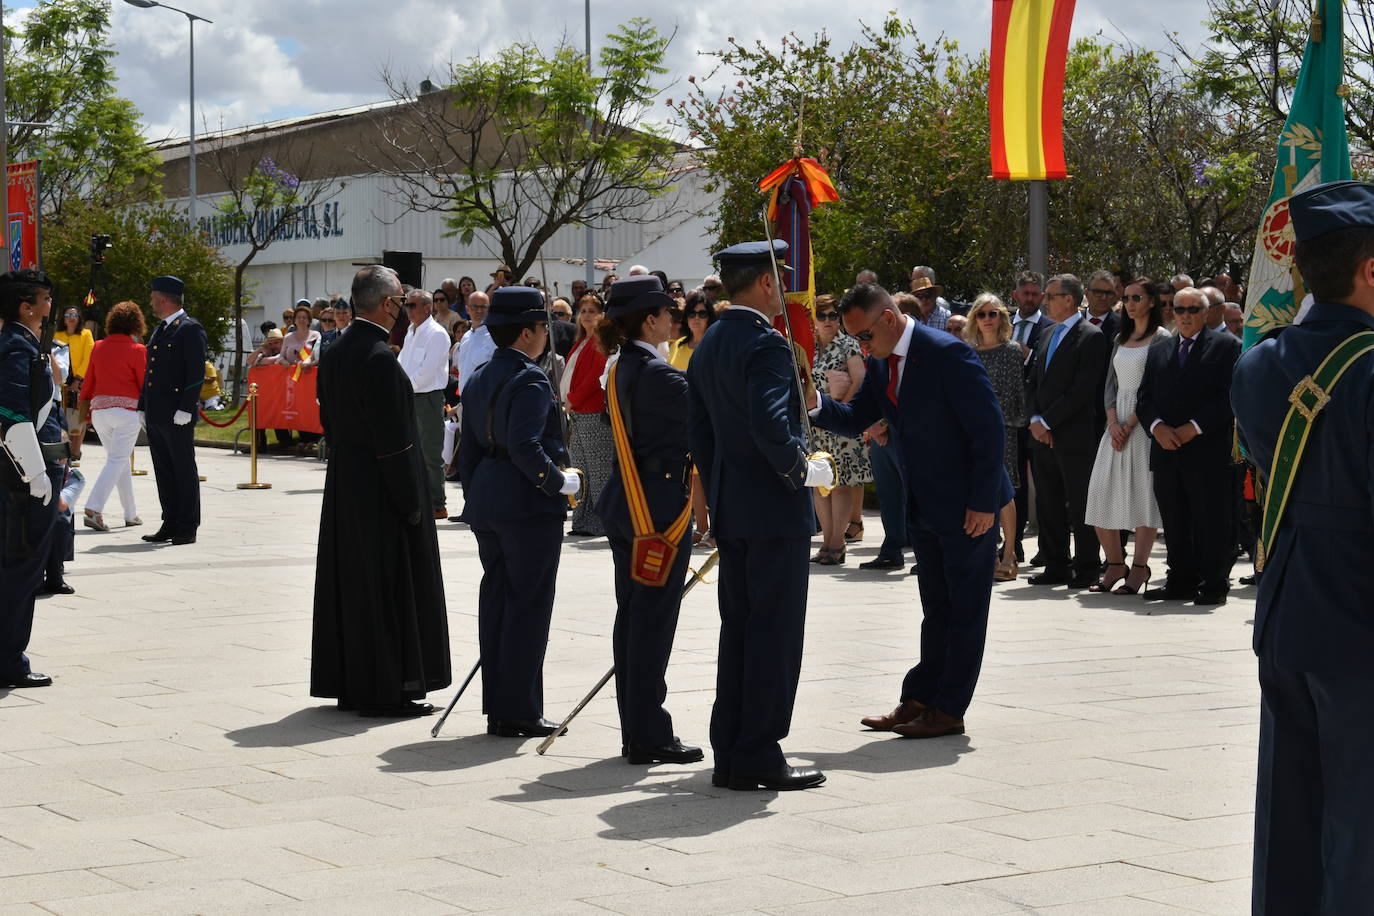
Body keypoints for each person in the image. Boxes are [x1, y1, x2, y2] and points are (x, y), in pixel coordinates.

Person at [1232, 180, 1374, 913]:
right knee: (1363, 825)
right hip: (1360, 615)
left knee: (1289, 809)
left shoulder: (1260, 361)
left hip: (1290, 607)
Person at [811, 282, 1011, 740]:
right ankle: (920, 698)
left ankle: (949, 709)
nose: (862, 347)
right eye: (855, 339)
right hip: (923, 501)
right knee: (936, 607)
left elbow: (988, 429)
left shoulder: (946, 352)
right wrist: (815, 403)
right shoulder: (882, 360)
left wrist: (983, 503)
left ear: (888, 318)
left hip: (966, 505)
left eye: (864, 336)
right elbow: (858, 417)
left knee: (965, 609)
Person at [687, 240, 833, 791]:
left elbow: (700, 434)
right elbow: (772, 426)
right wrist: (802, 471)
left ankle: (731, 748)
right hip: (773, 510)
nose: (786, 289)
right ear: (766, 282)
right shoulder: (766, 344)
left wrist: (721, 491)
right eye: (782, 278)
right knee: (774, 631)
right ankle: (758, 752)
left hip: (734, 506)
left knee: (741, 630)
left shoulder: (710, 342)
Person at [310, 265, 451, 718]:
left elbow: (329, 422)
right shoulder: (379, 358)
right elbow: (395, 444)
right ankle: (386, 689)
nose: (402, 309)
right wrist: (411, 502)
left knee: (353, 584)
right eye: (401, 301)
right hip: (381, 489)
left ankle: (353, 683)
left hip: (345, 482)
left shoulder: (334, 351)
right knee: (385, 588)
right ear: (388, 304)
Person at [458, 286, 579, 738]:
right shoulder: (530, 379)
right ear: (526, 332)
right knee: (528, 607)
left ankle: (501, 707)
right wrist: (558, 481)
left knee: (498, 603)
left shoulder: (479, 376)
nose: (547, 334)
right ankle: (520, 711)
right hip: (527, 503)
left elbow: (469, 452)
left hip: (489, 498)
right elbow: (527, 446)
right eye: (543, 327)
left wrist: (478, 496)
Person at [593, 276, 703, 765]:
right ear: (650, 319)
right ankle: (648, 735)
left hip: (629, 498)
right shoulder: (659, 375)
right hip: (654, 508)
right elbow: (705, 425)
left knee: (634, 618)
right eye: (668, 313)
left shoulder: (622, 366)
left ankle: (636, 729)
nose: (674, 320)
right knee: (652, 623)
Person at [1136, 286, 1241, 604]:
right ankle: (1180, 580)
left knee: (1210, 520)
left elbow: (1229, 396)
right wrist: (1157, 427)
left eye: (1193, 310)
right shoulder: (1159, 350)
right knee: (1175, 520)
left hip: (1207, 452)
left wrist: (1193, 428)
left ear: (1205, 313)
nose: (1185, 316)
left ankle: (1213, 583)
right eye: (1179, 309)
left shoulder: (1227, 347)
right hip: (1167, 451)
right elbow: (1145, 397)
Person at [1083, 279, 1170, 595]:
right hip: (1115, 423)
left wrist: (1131, 423)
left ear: (1151, 302)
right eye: (1128, 298)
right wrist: (1112, 422)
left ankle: (1140, 567)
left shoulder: (1162, 338)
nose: (1130, 303)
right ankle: (1115, 564)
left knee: (1144, 497)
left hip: (1143, 425)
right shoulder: (1120, 337)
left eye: (1137, 298)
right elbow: (1110, 384)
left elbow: (1157, 387)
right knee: (1099, 494)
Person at [1025, 274, 1110, 588]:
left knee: (1079, 503)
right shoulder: (1047, 332)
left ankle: (1087, 567)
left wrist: (1048, 422)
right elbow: (1033, 380)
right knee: (1048, 503)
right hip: (1041, 436)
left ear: (1069, 300)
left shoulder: (1091, 336)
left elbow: (1082, 389)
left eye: (1050, 296)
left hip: (1074, 436)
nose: (1045, 301)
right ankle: (1055, 564)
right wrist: (1035, 419)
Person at [0, 269, 61, 688]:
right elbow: (12, 414)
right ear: (26, 307)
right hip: (23, 476)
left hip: (25, 469)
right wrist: (36, 474)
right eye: (45, 299)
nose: (50, 306)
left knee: (18, 567)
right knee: (22, 569)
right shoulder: (16, 346)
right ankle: (9, 661)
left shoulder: (25, 343)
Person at [963, 293, 1027, 581]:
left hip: (1003, 428)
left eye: (993, 313)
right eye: (982, 314)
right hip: (972, 431)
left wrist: (1000, 423)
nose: (988, 319)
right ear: (974, 319)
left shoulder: (1011, 350)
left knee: (1004, 490)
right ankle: (987, 554)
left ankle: (1010, 552)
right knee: (980, 489)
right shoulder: (968, 352)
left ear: (1002, 317)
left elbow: (1016, 393)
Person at [138, 276, 206, 546]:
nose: (151, 303)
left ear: (163, 299)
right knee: (164, 470)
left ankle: (188, 525)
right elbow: (150, 372)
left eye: (153, 299)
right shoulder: (161, 329)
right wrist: (142, 405)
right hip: (157, 412)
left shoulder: (189, 329)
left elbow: (196, 372)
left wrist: (186, 407)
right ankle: (170, 521)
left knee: (183, 470)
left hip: (177, 414)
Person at [809, 294, 870, 565]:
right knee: (820, 483)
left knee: (841, 483)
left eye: (833, 315)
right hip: (816, 424)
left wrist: (841, 409)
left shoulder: (848, 344)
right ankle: (827, 542)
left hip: (841, 423)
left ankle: (838, 542)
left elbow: (859, 379)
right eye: (822, 315)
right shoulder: (808, 346)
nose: (828, 321)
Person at [78, 301, 147, 532]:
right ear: (136, 323)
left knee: (119, 461)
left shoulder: (98, 346)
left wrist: (83, 410)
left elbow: (89, 381)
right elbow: (143, 384)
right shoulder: (138, 349)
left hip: (100, 412)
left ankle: (131, 513)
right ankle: (94, 507)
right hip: (126, 413)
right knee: (117, 460)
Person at [1009, 270, 1054, 564]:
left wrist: (1027, 355)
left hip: (1037, 417)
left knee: (1045, 485)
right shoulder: (1001, 323)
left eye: (1035, 294)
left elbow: (1049, 370)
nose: (1029, 299)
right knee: (1014, 486)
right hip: (1008, 418)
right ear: (1015, 295)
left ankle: (1049, 550)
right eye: (1025, 293)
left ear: (1043, 297)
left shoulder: (1049, 328)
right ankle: (1012, 545)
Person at [560, 293, 611, 537]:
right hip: (578, 413)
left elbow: (595, 377)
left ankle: (603, 522)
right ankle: (582, 521)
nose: (587, 315)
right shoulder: (581, 341)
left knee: (598, 470)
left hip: (592, 412)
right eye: (584, 311)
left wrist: (573, 399)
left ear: (601, 315)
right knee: (581, 469)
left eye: (592, 311)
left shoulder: (600, 341)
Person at [398, 288, 452, 519]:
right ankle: (420, 499)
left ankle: (437, 504)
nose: (407, 309)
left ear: (427, 307)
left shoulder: (437, 334)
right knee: (410, 450)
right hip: (410, 396)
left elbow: (427, 372)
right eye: (406, 305)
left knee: (430, 452)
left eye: (412, 305)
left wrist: (403, 387)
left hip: (428, 398)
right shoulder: (410, 331)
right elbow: (401, 363)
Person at [669, 288, 717, 544]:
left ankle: (717, 528)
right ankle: (701, 527)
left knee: (710, 475)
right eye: (692, 314)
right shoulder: (677, 345)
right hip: (683, 418)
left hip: (710, 418)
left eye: (702, 313)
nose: (696, 318)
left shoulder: (715, 345)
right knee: (693, 476)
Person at [54, 304, 93, 463]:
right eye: (68, 315)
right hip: (61, 379)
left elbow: (88, 357)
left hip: (80, 380)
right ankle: (66, 451)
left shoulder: (86, 334)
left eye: (74, 315)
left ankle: (76, 451)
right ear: (63, 319)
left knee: (79, 417)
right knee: (63, 416)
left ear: (79, 318)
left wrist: (78, 379)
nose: (71, 318)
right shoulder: (56, 335)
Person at [455, 291, 494, 393]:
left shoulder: (494, 338)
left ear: (488, 309)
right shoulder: (465, 337)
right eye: (475, 307)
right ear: (467, 309)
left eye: (483, 307)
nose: (479, 311)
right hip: (464, 397)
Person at [1084, 269, 1122, 340]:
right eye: (1098, 292)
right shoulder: (1072, 321)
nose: (1103, 298)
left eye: (1109, 293)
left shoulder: (1122, 326)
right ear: (1086, 293)